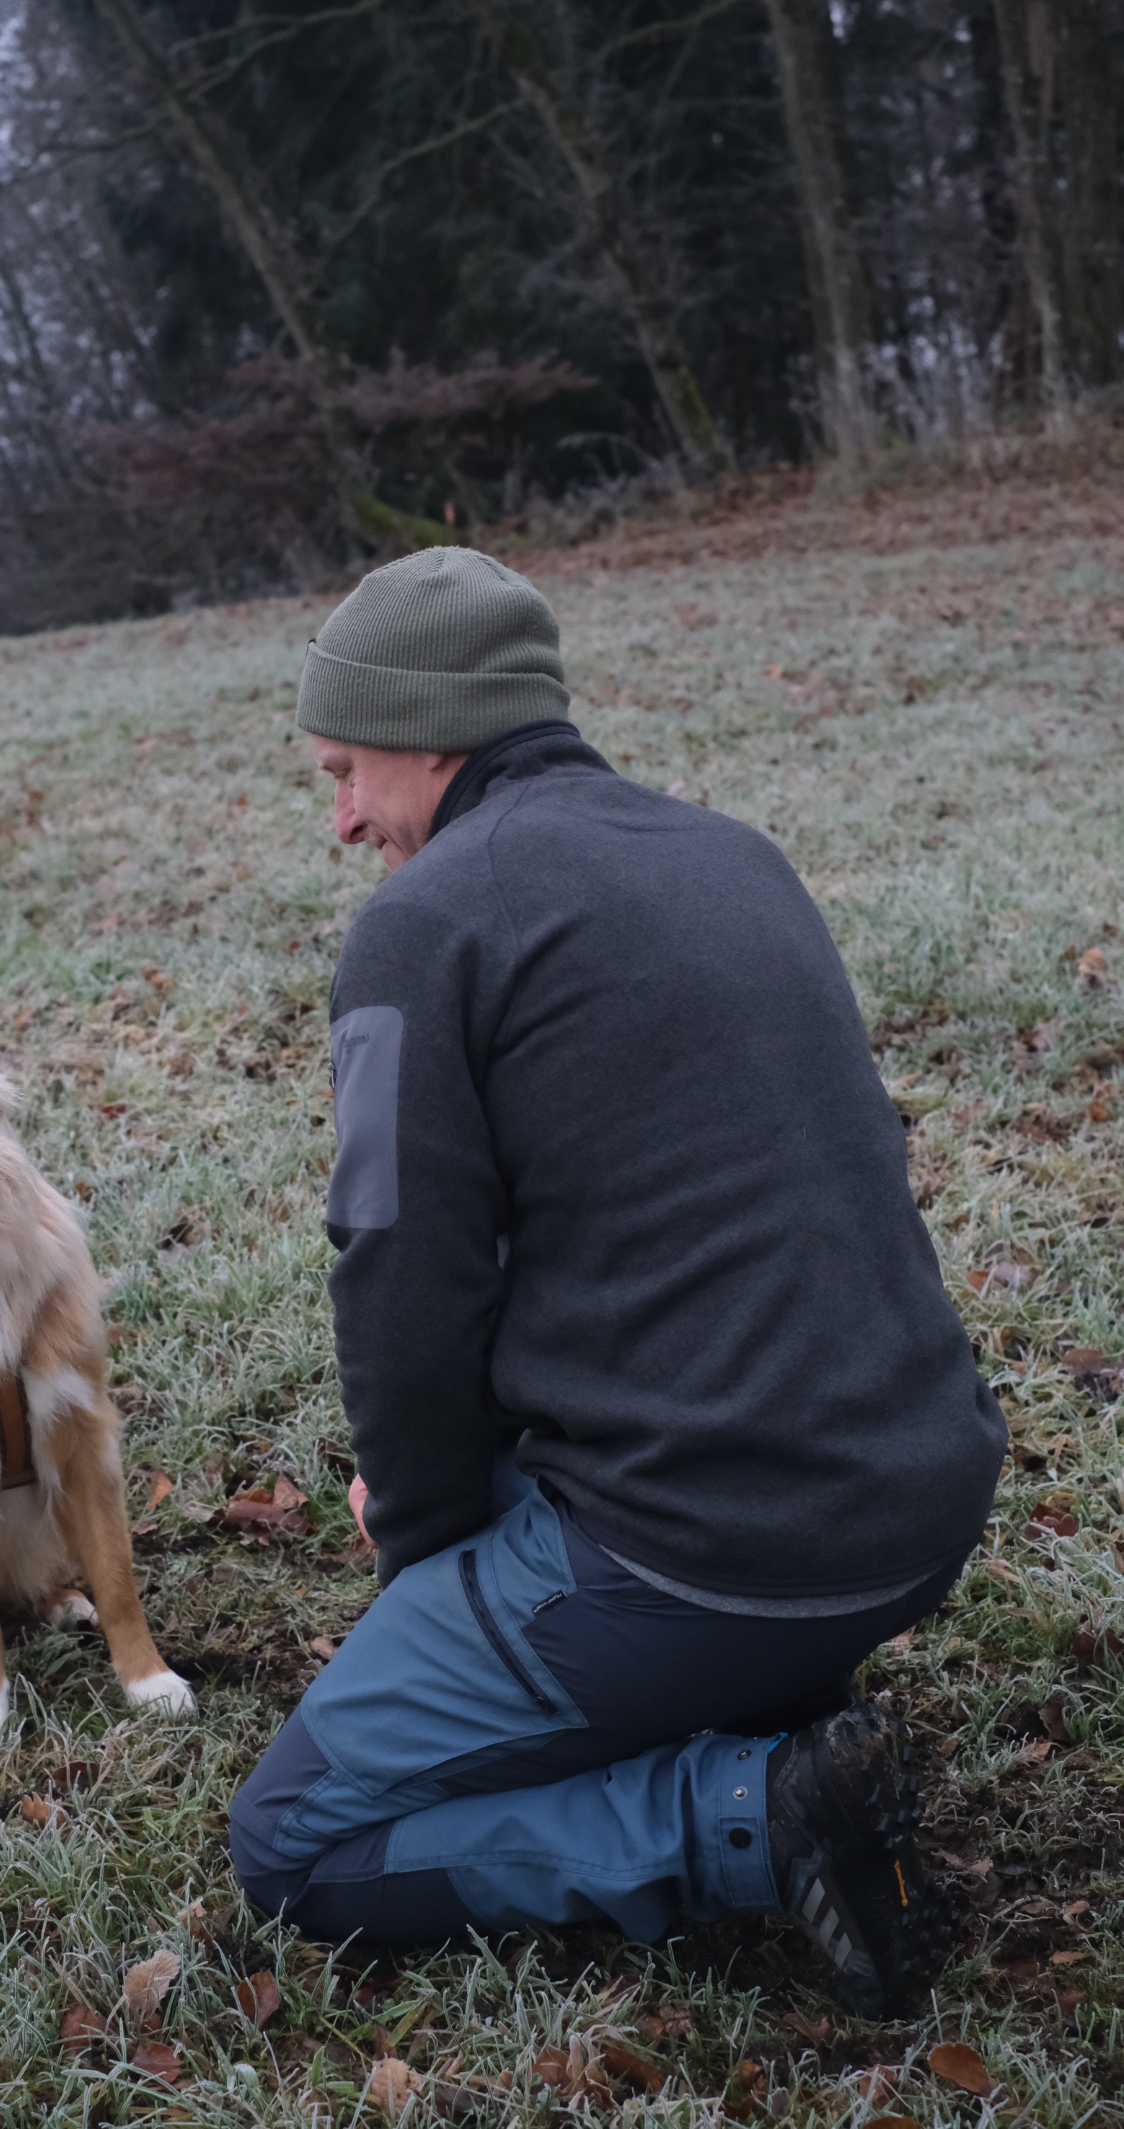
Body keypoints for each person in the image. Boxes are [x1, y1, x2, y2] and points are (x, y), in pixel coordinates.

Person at [229, 548, 1006, 2017]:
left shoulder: (425, 924)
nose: (340, 820)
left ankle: (755, 1816)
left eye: (344, 772)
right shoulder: (732, 851)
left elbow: (401, 1278)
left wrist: (430, 1542)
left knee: (295, 1838)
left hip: (710, 1543)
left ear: (426, 724)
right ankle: (777, 1699)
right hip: (915, 1500)